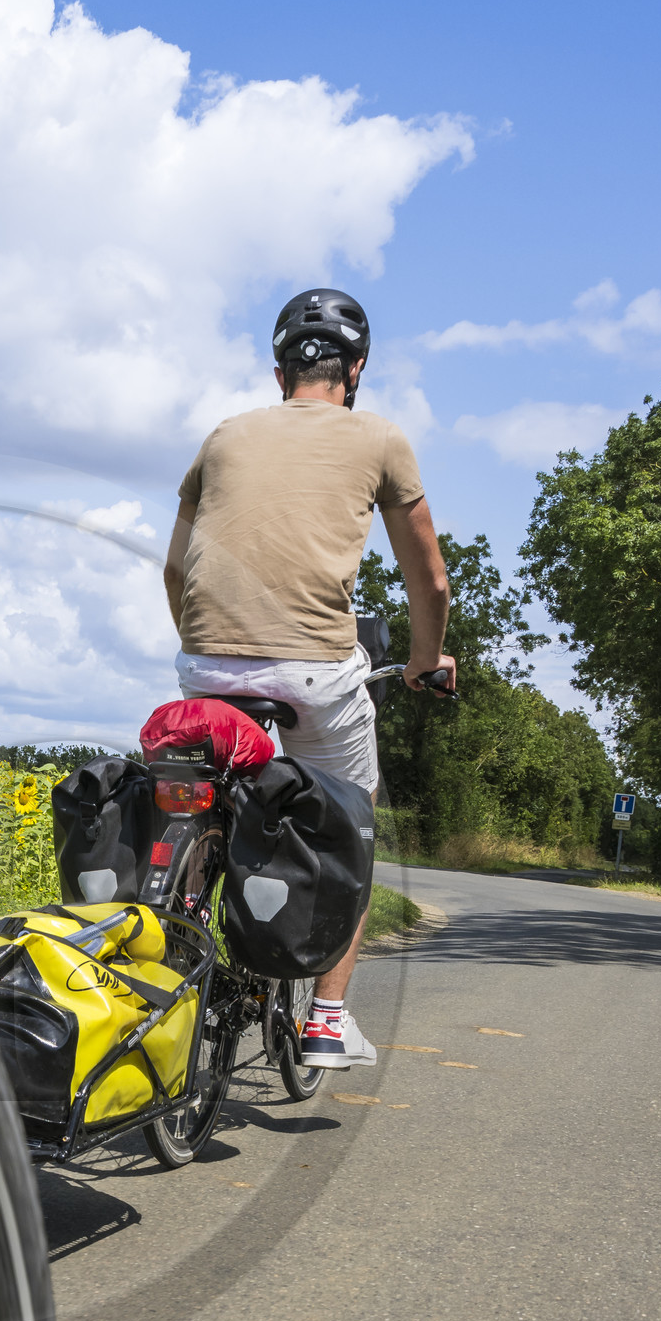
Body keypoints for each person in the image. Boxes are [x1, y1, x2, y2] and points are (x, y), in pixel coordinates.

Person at [162, 287, 455, 1069]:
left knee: (206, 797)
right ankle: (327, 1017)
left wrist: (211, 654)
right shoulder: (379, 438)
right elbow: (429, 580)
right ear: (355, 370)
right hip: (315, 673)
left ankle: (183, 921)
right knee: (353, 819)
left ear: (279, 372)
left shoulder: (224, 435)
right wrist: (426, 659)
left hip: (204, 663)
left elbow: (175, 571)